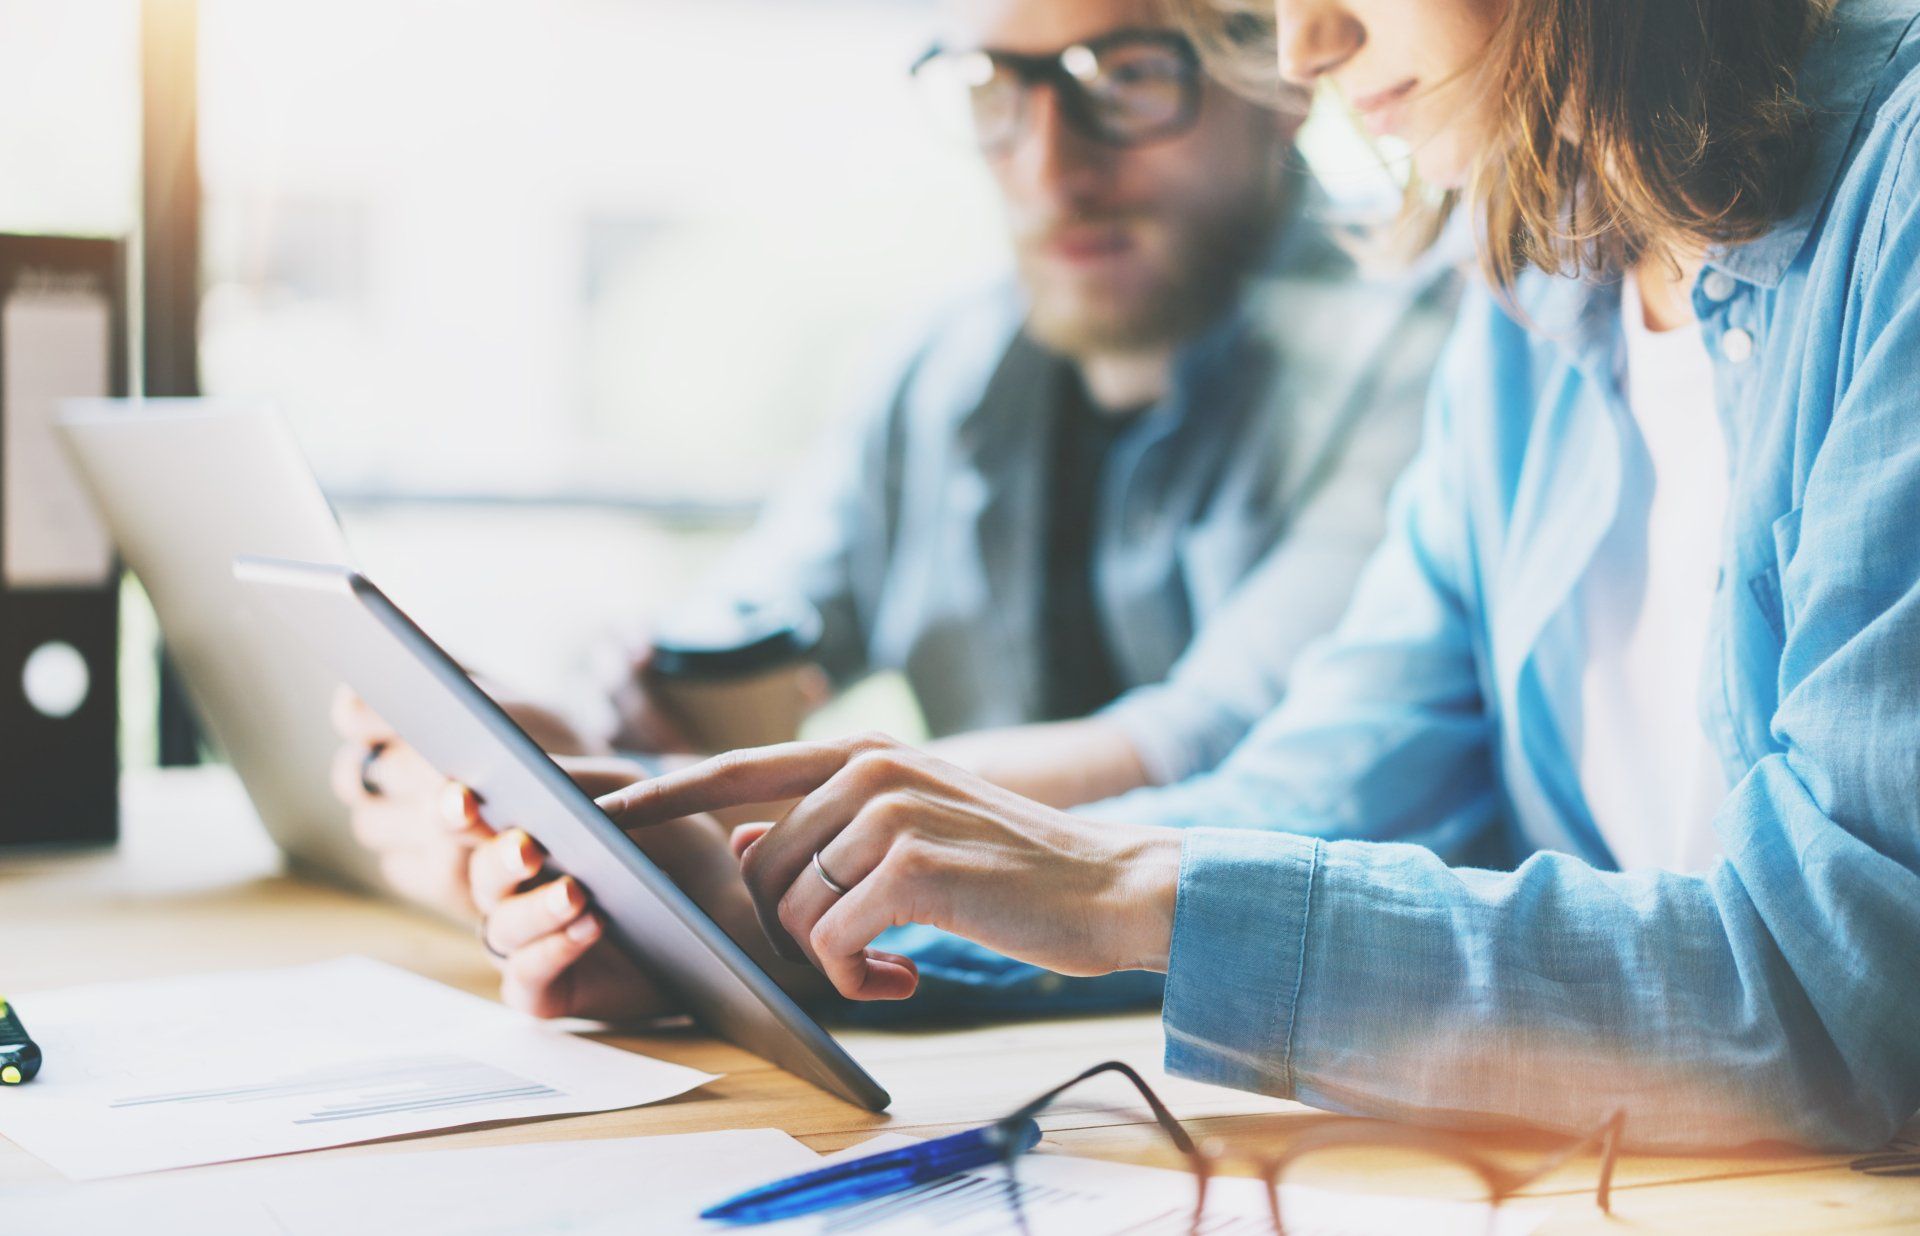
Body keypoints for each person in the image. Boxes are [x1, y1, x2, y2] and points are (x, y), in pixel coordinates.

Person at [483, 0, 1920, 1150]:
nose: (1303, 47)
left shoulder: (1896, 194)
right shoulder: (1543, 274)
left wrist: (1133, 885)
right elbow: (1326, 790)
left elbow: (1839, 993)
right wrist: (774, 925)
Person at [337, 0, 1458, 921]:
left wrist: (654, 806)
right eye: (995, 90)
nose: (1050, 165)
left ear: (1280, 77)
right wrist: (553, 747)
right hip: (976, 1005)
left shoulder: (1424, 352)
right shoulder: (943, 367)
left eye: (1127, 80)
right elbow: (748, 630)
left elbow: (1227, 743)